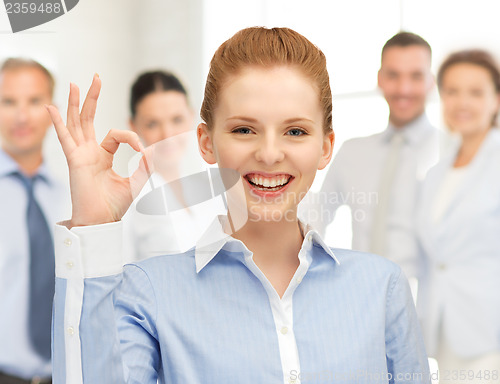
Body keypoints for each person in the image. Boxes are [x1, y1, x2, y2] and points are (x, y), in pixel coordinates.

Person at [48, 27, 430, 383]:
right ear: (206, 142)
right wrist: (92, 227)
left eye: (295, 131)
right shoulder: (148, 291)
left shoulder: (382, 288)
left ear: (325, 146)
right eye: (243, 130)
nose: (268, 153)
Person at [301, 31, 438, 279]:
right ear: (380, 79)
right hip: (362, 295)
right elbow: (315, 217)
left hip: (426, 305)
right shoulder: (353, 152)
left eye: (416, 76)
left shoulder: (451, 154)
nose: (403, 88)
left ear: (431, 81)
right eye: (393, 75)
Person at [416, 50, 500, 383]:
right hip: (444, 328)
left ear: (496, 99)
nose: (461, 102)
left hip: (490, 328)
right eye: (452, 91)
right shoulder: (438, 170)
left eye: (475, 92)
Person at [0, 59, 69, 383]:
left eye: (34, 101)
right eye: (8, 101)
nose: (22, 116)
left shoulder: (72, 198)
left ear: (51, 110)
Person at [122, 70, 222, 261]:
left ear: (192, 116)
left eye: (177, 120)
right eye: (152, 124)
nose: (167, 134)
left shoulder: (212, 192)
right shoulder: (127, 203)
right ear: (133, 126)